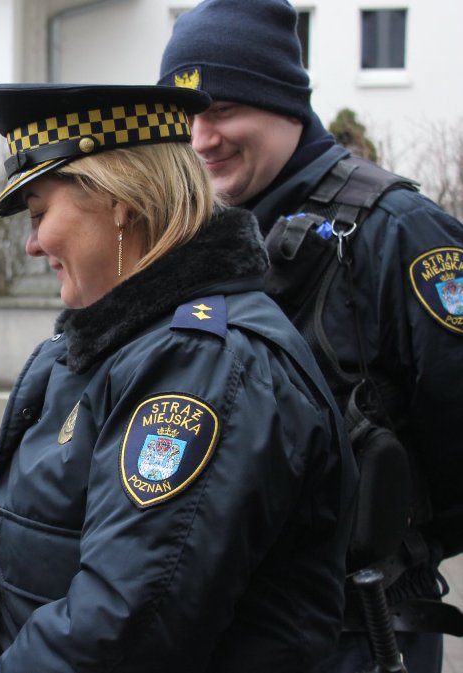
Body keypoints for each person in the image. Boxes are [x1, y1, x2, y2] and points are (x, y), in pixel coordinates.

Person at [0, 83, 356, 671]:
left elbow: (122, 628)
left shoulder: (199, 365)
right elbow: (31, 526)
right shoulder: (126, 341)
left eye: (40, 214)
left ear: (118, 201)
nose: (31, 245)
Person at [158, 2, 463, 670]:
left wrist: (385, 530)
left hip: (362, 631)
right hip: (236, 624)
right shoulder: (209, 238)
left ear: (285, 101)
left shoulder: (398, 231)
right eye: (185, 118)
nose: (202, 138)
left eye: (224, 109)